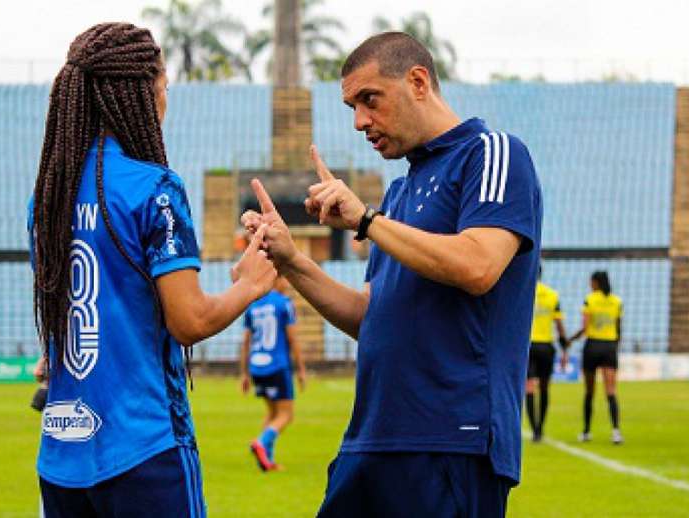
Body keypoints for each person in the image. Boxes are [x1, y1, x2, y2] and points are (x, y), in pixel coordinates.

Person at [244, 32, 542, 518]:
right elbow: (370, 315)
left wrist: (367, 221)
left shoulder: (492, 154)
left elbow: (478, 264)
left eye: (370, 100)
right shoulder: (402, 192)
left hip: (449, 441)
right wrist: (293, 261)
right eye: (352, 107)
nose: (360, 121)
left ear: (418, 82)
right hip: (371, 438)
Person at [29, 23, 276, 518]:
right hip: (143, 449)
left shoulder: (47, 198)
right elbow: (189, 321)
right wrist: (249, 286)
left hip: (61, 456)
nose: (166, 100)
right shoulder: (154, 187)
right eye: (164, 87)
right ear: (140, 93)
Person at [239, 275, 306, 471]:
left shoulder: (253, 305)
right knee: (286, 415)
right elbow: (292, 339)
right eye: (286, 279)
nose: (288, 284)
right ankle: (261, 443)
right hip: (277, 365)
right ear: (277, 280)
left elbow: (245, 342)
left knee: (272, 413)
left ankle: (266, 460)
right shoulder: (284, 303)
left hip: (257, 365)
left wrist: (244, 373)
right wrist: (301, 369)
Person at [568, 271, 624, 445]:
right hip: (609, 347)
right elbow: (619, 328)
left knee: (589, 392)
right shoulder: (617, 301)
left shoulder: (590, 300)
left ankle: (586, 431)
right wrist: (615, 346)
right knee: (611, 391)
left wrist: (570, 339)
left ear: (596, 283)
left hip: (592, 346)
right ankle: (616, 432)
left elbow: (584, 328)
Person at [526, 266, 568, 442]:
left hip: (528, 346)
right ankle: (540, 428)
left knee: (529, 388)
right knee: (544, 388)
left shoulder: (523, 292)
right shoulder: (552, 295)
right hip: (546, 347)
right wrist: (565, 349)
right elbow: (559, 325)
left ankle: (534, 429)